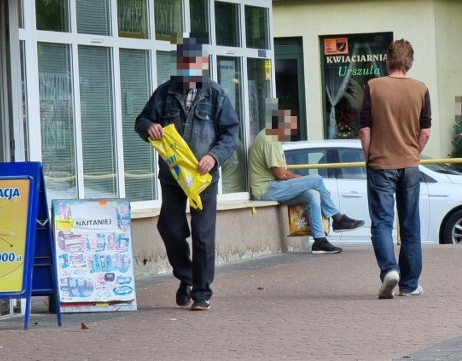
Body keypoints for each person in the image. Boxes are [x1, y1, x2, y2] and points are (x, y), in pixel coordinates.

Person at [134, 36, 239, 311]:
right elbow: (142, 120)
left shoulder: (216, 94)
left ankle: (201, 292)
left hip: (203, 178)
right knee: (170, 228)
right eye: (185, 63)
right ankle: (188, 276)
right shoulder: (165, 92)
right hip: (172, 176)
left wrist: (213, 156)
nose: (190, 68)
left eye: (195, 62)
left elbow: (230, 133)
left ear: (203, 63)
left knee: (203, 235)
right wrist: (149, 128)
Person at [358, 39, 431, 299]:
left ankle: (389, 270)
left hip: (380, 163)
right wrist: (413, 153)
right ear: (409, 62)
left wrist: (370, 157)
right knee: (411, 224)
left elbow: (365, 128)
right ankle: (410, 284)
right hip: (410, 164)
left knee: (382, 222)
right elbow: (425, 132)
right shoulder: (421, 89)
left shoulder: (372, 87)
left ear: (387, 61)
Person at [248, 100, 365, 255]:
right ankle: (338, 219)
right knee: (316, 180)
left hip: (274, 187)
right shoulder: (270, 138)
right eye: (290, 127)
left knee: (313, 195)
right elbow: (281, 174)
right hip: (266, 189)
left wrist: (303, 183)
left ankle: (319, 241)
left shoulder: (272, 137)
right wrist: (303, 180)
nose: (290, 132)